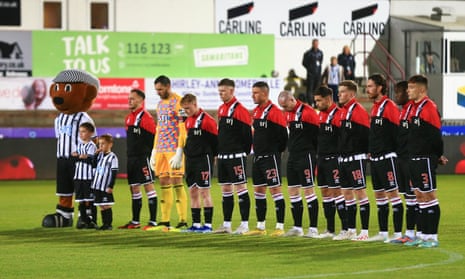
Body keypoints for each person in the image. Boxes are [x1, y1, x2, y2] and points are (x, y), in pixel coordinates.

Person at [404, 75, 447, 248]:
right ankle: (422, 235)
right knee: (420, 197)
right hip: (413, 158)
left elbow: (436, 135)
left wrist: (437, 155)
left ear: (421, 90)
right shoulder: (414, 108)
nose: (408, 90)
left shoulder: (429, 107)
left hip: (425, 158)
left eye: (412, 87)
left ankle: (432, 237)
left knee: (430, 196)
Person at [244, 81, 288, 236]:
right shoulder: (256, 111)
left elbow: (283, 136)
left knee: (276, 190)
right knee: (258, 192)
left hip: (270, 157)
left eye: (255, 92)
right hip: (257, 157)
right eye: (252, 92)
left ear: (264, 93)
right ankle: (260, 227)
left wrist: (276, 152)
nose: (252, 95)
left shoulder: (274, 112)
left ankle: (280, 227)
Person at [364, 74, 404, 242]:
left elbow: (398, 132)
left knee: (393, 196)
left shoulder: (389, 106)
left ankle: (397, 234)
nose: (367, 89)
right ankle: (382, 234)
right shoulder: (375, 107)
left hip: (388, 157)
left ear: (380, 87)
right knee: (379, 197)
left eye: (371, 86)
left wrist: (396, 154)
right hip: (376, 158)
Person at [277, 91, 320, 237]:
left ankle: (313, 229)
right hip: (293, 156)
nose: (284, 109)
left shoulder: (308, 113)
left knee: (309, 191)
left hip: (306, 155)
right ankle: (298, 227)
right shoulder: (288, 114)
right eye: (282, 107)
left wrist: (314, 155)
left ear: (292, 99)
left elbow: (317, 136)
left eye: (285, 106)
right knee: (293, 192)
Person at [149, 75, 188, 231]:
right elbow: (159, 128)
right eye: (156, 90)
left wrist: (180, 150)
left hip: (173, 149)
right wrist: (154, 149)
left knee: (177, 182)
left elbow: (183, 127)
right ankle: (165, 221)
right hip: (161, 149)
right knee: (164, 182)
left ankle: (183, 220)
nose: (158, 92)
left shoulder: (179, 102)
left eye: (160, 89)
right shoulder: (159, 104)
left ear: (168, 86)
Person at [214, 78, 252, 235]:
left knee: (241, 188)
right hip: (223, 156)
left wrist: (242, 152)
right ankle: (226, 225)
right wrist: (218, 154)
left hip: (236, 156)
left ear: (232, 90)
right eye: (219, 91)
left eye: (223, 91)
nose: (221, 94)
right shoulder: (222, 109)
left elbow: (247, 135)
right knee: (226, 191)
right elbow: (221, 134)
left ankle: (244, 225)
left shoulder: (240, 110)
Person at [333, 80, 370, 241]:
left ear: (352, 94)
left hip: (356, 158)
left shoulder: (358, 110)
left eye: (342, 91)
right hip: (344, 158)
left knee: (360, 193)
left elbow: (366, 134)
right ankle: (351, 230)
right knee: (347, 194)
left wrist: (364, 152)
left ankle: (365, 231)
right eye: (339, 91)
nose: (339, 94)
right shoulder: (342, 111)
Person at [119, 89, 158, 230]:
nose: (129, 101)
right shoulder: (129, 118)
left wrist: (151, 155)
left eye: (133, 99)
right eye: (129, 98)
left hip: (143, 158)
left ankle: (153, 221)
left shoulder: (145, 118)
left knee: (148, 186)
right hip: (131, 158)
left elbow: (154, 138)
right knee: (134, 188)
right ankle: (135, 221)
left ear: (141, 101)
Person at [180, 93, 218, 233]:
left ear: (195, 104)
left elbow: (215, 142)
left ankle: (208, 225)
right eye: (184, 109)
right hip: (190, 160)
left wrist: (214, 157)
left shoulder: (208, 120)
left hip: (203, 159)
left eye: (188, 108)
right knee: (193, 192)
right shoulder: (188, 120)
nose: (186, 111)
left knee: (204, 192)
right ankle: (195, 224)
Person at [313, 86, 348, 239]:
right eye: (315, 101)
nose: (317, 104)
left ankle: (346, 229)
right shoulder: (320, 115)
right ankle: (330, 229)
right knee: (325, 194)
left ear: (328, 99)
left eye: (319, 101)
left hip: (334, 159)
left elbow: (344, 138)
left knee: (337, 193)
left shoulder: (339, 115)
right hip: (321, 159)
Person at [391, 80, 418, 244]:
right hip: (402, 158)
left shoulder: (414, 111)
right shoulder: (403, 111)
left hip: (410, 159)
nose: (397, 95)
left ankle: (420, 234)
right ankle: (409, 234)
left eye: (399, 92)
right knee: (409, 198)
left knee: (416, 198)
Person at [72, 122, 98, 229]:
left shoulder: (92, 146)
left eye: (83, 131)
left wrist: (83, 157)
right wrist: (79, 157)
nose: (81, 134)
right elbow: (75, 158)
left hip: (88, 177)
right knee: (81, 200)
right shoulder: (79, 145)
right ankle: (83, 220)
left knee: (90, 200)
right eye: (80, 132)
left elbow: (92, 160)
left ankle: (93, 221)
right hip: (79, 177)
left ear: (90, 133)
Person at [91, 134, 119, 230]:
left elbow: (114, 172)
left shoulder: (113, 157)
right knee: (101, 205)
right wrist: (95, 155)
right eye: (100, 144)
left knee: (106, 205)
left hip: (105, 186)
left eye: (103, 144)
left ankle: (108, 224)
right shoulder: (100, 156)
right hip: (97, 185)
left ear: (110, 144)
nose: (101, 146)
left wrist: (110, 186)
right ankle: (104, 224)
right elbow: (93, 165)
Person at [302, 39, 323, 106]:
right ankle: (310, 103)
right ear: (312, 44)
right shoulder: (308, 53)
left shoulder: (320, 52)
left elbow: (320, 62)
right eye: (314, 44)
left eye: (317, 44)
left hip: (318, 74)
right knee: (310, 89)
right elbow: (304, 63)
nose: (316, 45)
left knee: (317, 89)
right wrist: (310, 68)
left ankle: (315, 102)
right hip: (311, 75)